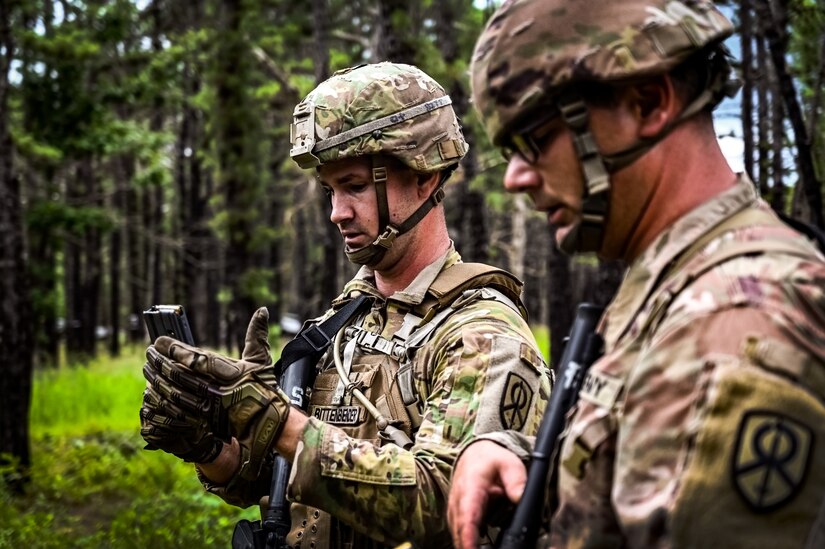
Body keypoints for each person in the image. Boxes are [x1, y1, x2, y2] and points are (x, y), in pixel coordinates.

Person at [447, 1, 825, 547]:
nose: (515, 178)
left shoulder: (735, 324)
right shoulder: (677, 285)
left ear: (647, 104)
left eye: (533, 138)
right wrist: (516, 458)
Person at [140, 61, 552, 549]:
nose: (336, 212)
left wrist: (280, 425)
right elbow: (278, 488)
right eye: (330, 190)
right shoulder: (342, 325)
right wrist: (212, 446)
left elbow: (445, 502)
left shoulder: (481, 334)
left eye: (355, 186)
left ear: (425, 174)